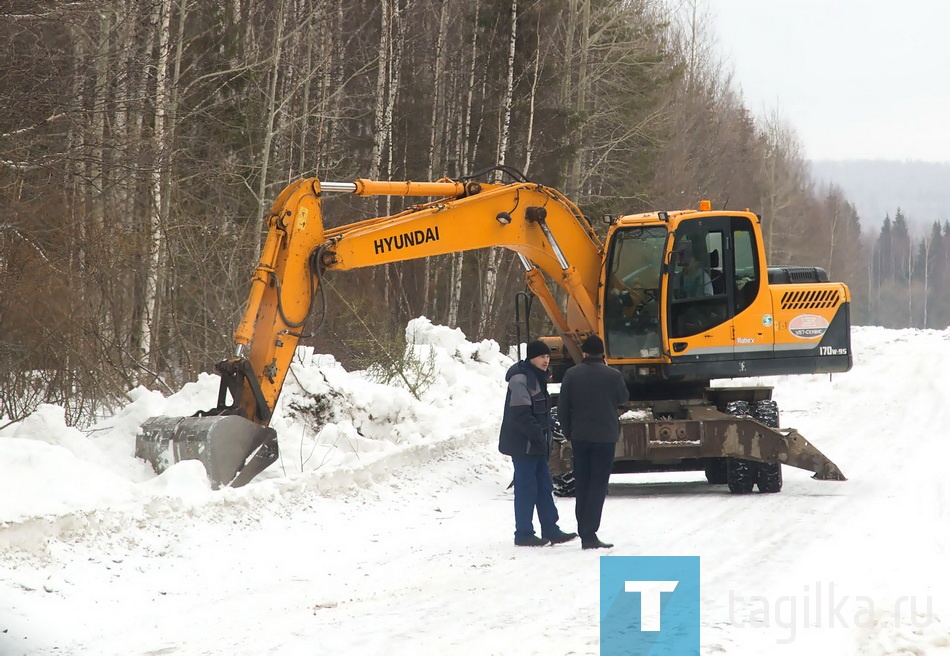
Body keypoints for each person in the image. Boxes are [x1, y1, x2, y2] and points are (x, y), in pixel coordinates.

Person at [498, 340, 577, 547]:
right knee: (526, 489)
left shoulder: (537, 378)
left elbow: (539, 411)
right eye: (542, 357)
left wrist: (548, 428)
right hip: (524, 445)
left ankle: (551, 529)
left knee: (544, 486)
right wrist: (538, 436)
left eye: (548, 357)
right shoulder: (520, 379)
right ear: (531, 357)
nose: (546, 360)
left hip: (538, 444)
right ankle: (523, 533)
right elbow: (521, 414)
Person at [556, 335, 630, 549]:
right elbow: (623, 398)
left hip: (580, 437)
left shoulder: (572, 374)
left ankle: (584, 530)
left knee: (583, 484)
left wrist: (570, 432)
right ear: (602, 353)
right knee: (598, 485)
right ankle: (590, 533)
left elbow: (562, 407)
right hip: (605, 437)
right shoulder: (613, 375)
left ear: (585, 353)